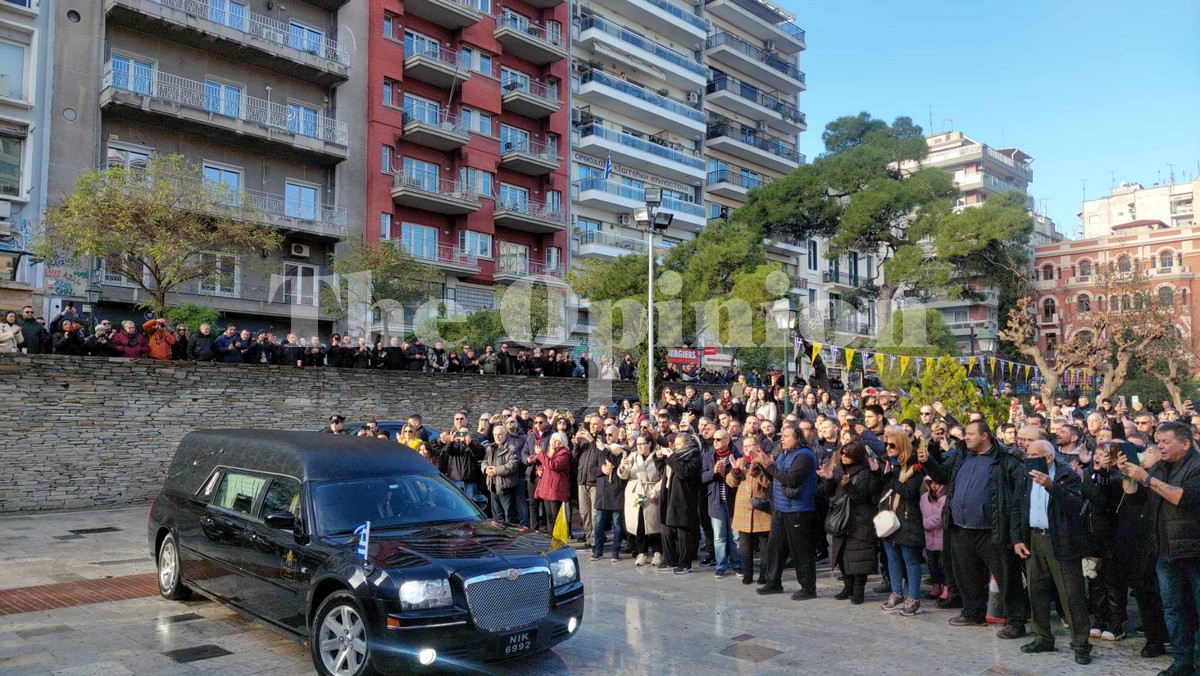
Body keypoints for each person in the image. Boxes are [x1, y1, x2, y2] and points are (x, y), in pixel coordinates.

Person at [922, 420, 1029, 638]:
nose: (965, 438)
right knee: (967, 575)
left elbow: (1018, 498)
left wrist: (1016, 533)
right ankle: (973, 613)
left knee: (1007, 578)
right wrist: (928, 462)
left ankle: (1016, 622)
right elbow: (942, 477)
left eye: (970, 434)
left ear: (985, 436)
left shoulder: (1006, 460)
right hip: (961, 528)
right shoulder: (962, 456)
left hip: (992, 530)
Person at [1118, 421, 1200, 676]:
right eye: (1158, 442)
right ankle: (1182, 661)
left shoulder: (1197, 466)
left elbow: (1183, 498)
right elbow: (1136, 496)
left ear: (1185, 443)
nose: (1160, 446)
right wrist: (1129, 473)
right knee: (1173, 609)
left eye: (1166, 441)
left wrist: (1147, 478)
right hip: (1164, 551)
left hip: (1194, 551)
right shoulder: (1160, 467)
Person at [1008, 438, 1092, 665]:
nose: (1028, 459)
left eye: (1032, 455)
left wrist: (1052, 486)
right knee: (1036, 591)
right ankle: (1043, 637)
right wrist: (1017, 538)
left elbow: (1075, 507)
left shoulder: (1067, 475)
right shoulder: (1026, 475)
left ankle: (1081, 644)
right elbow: (1016, 507)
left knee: (1071, 595)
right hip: (1034, 539)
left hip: (1061, 541)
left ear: (1048, 457)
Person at [757, 425, 820, 600]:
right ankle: (773, 582)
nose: (782, 439)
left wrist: (769, 465)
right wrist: (763, 465)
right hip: (781, 508)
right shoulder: (783, 454)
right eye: (781, 436)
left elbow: (791, 480)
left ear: (798, 438)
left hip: (799, 510)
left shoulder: (804, 456)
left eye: (786, 436)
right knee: (775, 548)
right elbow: (776, 478)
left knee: (801, 552)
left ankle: (808, 588)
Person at [820, 439, 880, 605]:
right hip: (841, 519)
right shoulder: (839, 470)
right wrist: (829, 479)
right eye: (842, 453)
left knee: (859, 558)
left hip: (859, 520)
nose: (843, 456)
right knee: (842, 555)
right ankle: (847, 587)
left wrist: (848, 486)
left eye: (847, 454)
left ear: (856, 456)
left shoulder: (865, 473)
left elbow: (864, 497)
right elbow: (830, 494)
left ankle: (858, 591)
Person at [879, 428, 927, 616]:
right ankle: (896, 592)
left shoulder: (914, 468)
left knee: (910, 560)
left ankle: (913, 597)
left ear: (901, 446)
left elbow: (909, 493)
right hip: (889, 519)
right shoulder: (890, 466)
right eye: (886, 445)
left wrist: (891, 477)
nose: (888, 448)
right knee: (892, 559)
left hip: (908, 520)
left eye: (892, 445)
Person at [728, 435, 772, 585]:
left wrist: (756, 471)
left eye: (750, 445)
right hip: (743, 509)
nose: (746, 448)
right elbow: (731, 483)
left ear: (757, 447)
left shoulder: (765, 460)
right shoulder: (740, 461)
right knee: (745, 546)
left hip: (761, 508)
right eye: (744, 446)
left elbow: (768, 483)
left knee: (764, 546)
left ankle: (764, 575)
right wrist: (734, 470)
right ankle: (748, 574)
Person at [658, 431, 702, 575]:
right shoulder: (676, 455)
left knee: (684, 531)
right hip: (670, 495)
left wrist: (670, 456)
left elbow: (684, 472)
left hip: (684, 497)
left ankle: (685, 563)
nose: (675, 446)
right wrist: (660, 458)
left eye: (678, 444)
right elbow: (664, 470)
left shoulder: (693, 455)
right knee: (667, 528)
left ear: (687, 444)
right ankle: (670, 559)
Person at [701, 428, 742, 578]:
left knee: (735, 536)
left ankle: (737, 564)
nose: (715, 442)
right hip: (716, 502)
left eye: (719, 439)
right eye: (714, 439)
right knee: (719, 536)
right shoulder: (707, 456)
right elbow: (703, 477)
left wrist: (729, 471)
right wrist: (714, 472)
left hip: (733, 502)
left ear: (727, 440)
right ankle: (721, 565)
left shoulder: (737, 455)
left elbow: (741, 477)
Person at [620, 434, 663, 566]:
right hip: (636, 491)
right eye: (638, 444)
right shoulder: (632, 456)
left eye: (642, 444)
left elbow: (664, 476)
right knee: (639, 524)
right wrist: (622, 467)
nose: (639, 447)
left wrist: (656, 490)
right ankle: (641, 552)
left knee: (653, 524)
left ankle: (657, 553)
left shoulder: (657, 456)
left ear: (649, 444)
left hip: (651, 490)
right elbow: (625, 475)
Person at [432, 411, 485, 503]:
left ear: (466, 420)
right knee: (456, 503)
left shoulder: (474, 437)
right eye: (457, 419)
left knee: (472, 503)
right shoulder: (449, 436)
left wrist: (470, 443)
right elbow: (440, 449)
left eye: (461, 419)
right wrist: (444, 441)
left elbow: (478, 454)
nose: (459, 421)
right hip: (454, 478)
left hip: (470, 478)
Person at [592, 433, 627, 561]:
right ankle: (598, 551)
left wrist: (605, 450)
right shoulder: (600, 451)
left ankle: (615, 551)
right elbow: (592, 470)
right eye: (606, 434)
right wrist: (601, 470)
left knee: (617, 524)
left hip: (616, 492)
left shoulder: (619, 450)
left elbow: (615, 462)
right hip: (602, 492)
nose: (607, 437)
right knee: (599, 524)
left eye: (611, 434)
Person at [532, 431, 572, 534]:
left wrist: (540, 454)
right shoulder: (550, 452)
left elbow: (553, 465)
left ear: (562, 442)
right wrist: (539, 471)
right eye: (553, 440)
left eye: (557, 441)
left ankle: (557, 538)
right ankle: (550, 538)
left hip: (556, 489)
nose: (554, 443)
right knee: (549, 516)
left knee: (555, 516)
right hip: (546, 487)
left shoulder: (565, 453)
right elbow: (544, 465)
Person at [483, 425, 521, 525]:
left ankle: (511, 536)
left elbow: (513, 465)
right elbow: (484, 461)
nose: (497, 437)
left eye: (500, 434)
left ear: (505, 435)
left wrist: (496, 470)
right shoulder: (490, 448)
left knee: (509, 515)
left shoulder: (512, 448)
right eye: (495, 435)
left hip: (506, 487)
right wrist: (486, 469)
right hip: (493, 485)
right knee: (496, 516)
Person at [922, 476, 949, 602]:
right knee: (932, 564)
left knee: (944, 565)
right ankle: (936, 586)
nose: (933, 486)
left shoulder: (945, 498)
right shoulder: (924, 498)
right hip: (929, 538)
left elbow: (940, 517)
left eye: (936, 483)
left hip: (942, 536)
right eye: (931, 483)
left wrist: (924, 523)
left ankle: (947, 587)